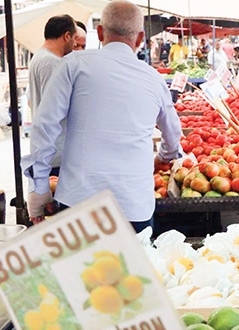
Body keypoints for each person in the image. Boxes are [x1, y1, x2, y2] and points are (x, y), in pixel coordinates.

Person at [21, 1, 183, 232]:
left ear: (99, 32)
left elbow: (45, 126)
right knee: (130, 268)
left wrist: (39, 189)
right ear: (139, 39)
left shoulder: (72, 65)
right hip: (134, 206)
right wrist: (162, 157)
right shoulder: (154, 79)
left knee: (80, 268)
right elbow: (173, 137)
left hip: (79, 201)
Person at [27, 14, 77, 177]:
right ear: (66, 36)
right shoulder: (52, 63)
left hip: (48, 149)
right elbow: (56, 108)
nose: (75, 44)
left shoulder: (40, 57)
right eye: (74, 38)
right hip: (56, 152)